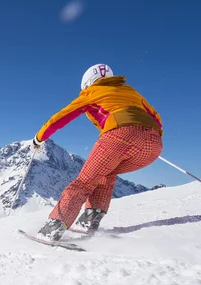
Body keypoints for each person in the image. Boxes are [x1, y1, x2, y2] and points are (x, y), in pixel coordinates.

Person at [32, 63, 163, 241]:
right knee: (107, 172)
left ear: (88, 84)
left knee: (83, 183)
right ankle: (89, 220)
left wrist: (39, 138)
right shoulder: (131, 92)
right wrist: (148, 134)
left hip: (118, 136)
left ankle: (54, 227)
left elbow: (61, 117)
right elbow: (155, 117)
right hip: (154, 143)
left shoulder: (91, 93)